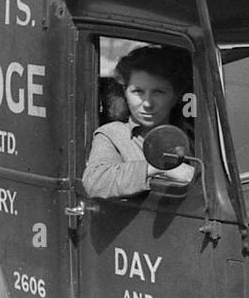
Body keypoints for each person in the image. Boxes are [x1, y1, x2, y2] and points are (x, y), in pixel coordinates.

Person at [84, 47, 196, 199]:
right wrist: (159, 168)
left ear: (175, 96)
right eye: (138, 91)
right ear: (125, 93)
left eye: (159, 92)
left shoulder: (192, 133)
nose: (148, 103)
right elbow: (95, 182)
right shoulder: (113, 135)